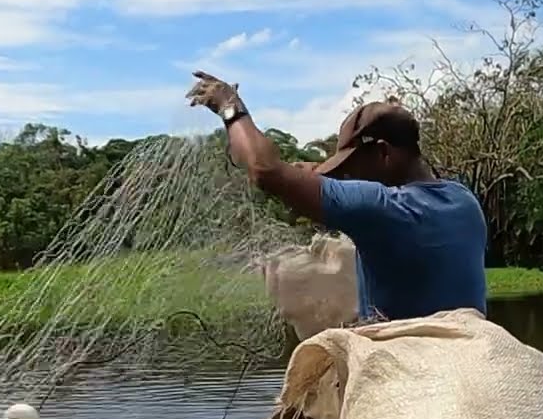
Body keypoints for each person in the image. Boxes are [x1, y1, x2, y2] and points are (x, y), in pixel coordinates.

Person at [185, 71, 487, 322]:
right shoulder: (463, 200)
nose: (347, 178)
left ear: (384, 152)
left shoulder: (381, 208)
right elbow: (316, 177)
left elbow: (265, 171)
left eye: (352, 167)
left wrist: (230, 107)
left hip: (405, 372)